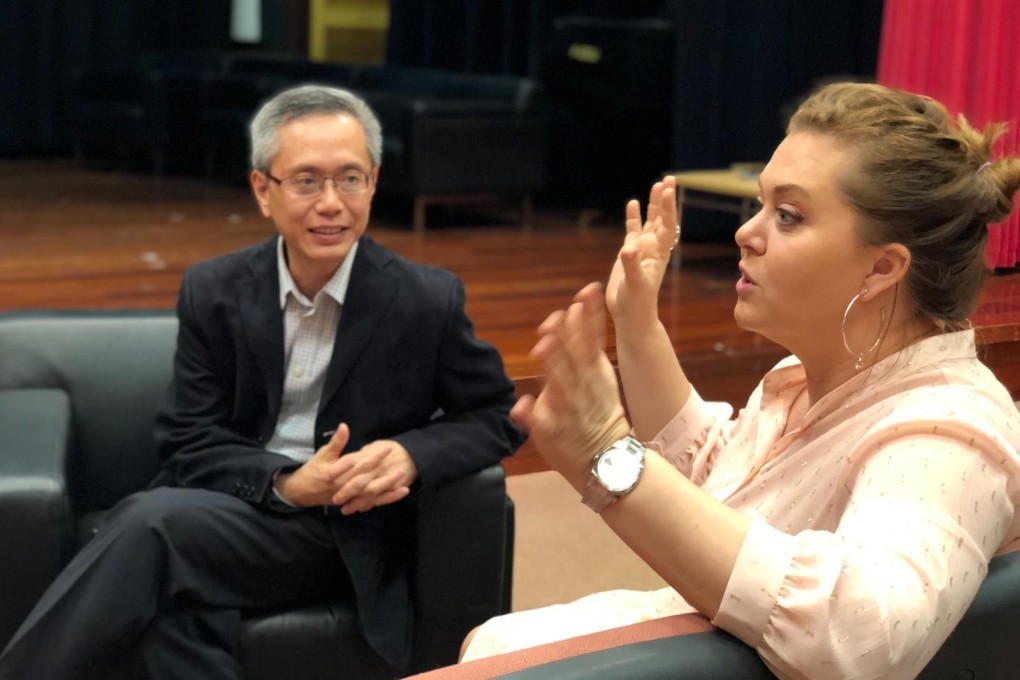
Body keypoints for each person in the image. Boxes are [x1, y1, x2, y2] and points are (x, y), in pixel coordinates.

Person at [461, 82, 1020, 679]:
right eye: (760, 206)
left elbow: (863, 637)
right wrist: (636, 323)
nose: (745, 233)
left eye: (787, 215)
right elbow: (721, 480)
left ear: (882, 267)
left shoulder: (948, 431)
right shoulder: (813, 376)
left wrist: (612, 461)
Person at [0, 85, 524, 679]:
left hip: (338, 539)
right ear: (262, 191)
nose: (331, 202)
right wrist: (288, 482)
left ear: (374, 183)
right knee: (166, 619)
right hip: (234, 510)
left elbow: (497, 414)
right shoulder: (215, 290)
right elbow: (187, 437)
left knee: (144, 524)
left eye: (350, 179)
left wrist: (410, 453)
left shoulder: (425, 300)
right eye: (306, 181)